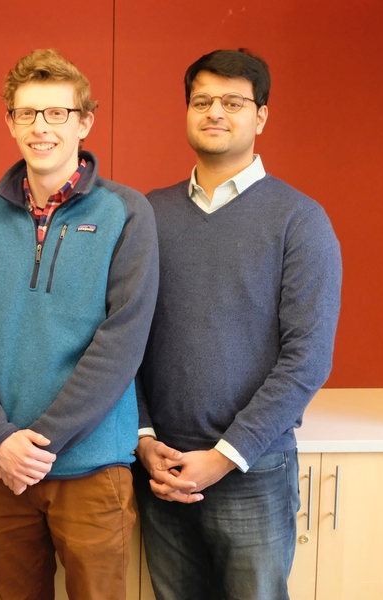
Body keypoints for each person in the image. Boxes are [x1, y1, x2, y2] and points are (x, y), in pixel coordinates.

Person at [0, 48, 159, 600]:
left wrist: (37, 443)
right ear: (10, 122)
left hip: (91, 469)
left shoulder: (127, 213)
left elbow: (121, 343)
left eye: (56, 113)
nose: (40, 127)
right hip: (1, 471)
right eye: (27, 113)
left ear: (84, 122)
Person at [134, 48, 342, 600]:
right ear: (186, 112)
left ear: (261, 116)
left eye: (232, 101)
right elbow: (119, 337)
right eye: (201, 100)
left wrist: (224, 457)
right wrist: (143, 436)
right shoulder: (148, 215)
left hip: (254, 470)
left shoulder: (300, 220)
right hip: (164, 469)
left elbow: (308, 359)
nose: (215, 112)